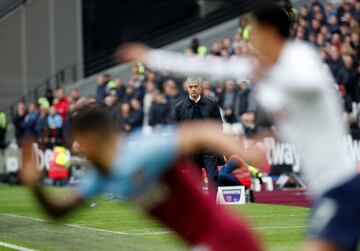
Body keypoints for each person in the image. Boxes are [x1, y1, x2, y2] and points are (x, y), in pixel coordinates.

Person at [116, 3, 360, 251]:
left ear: (268, 32)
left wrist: (271, 73)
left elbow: (313, 84)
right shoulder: (264, 66)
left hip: (340, 187)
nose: (249, 38)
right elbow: (210, 68)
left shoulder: (299, 57)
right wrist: (150, 57)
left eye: (252, 31)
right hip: (326, 191)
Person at [19, 104, 261, 251]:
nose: (76, 146)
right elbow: (58, 213)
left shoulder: (143, 149)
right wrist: (34, 186)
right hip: (203, 243)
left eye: (78, 139)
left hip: (227, 238)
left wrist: (246, 152)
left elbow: (203, 131)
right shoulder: (100, 176)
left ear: (91, 137)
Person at [172, 77, 222, 194]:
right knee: (196, 180)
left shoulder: (211, 103)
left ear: (200, 87)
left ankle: (213, 207)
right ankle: (202, 209)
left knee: (213, 177)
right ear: (186, 88)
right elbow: (175, 127)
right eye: (191, 87)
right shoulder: (179, 107)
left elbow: (219, 124)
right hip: (191, 148)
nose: (193, 89)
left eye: (195, 86)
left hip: (209, 147)